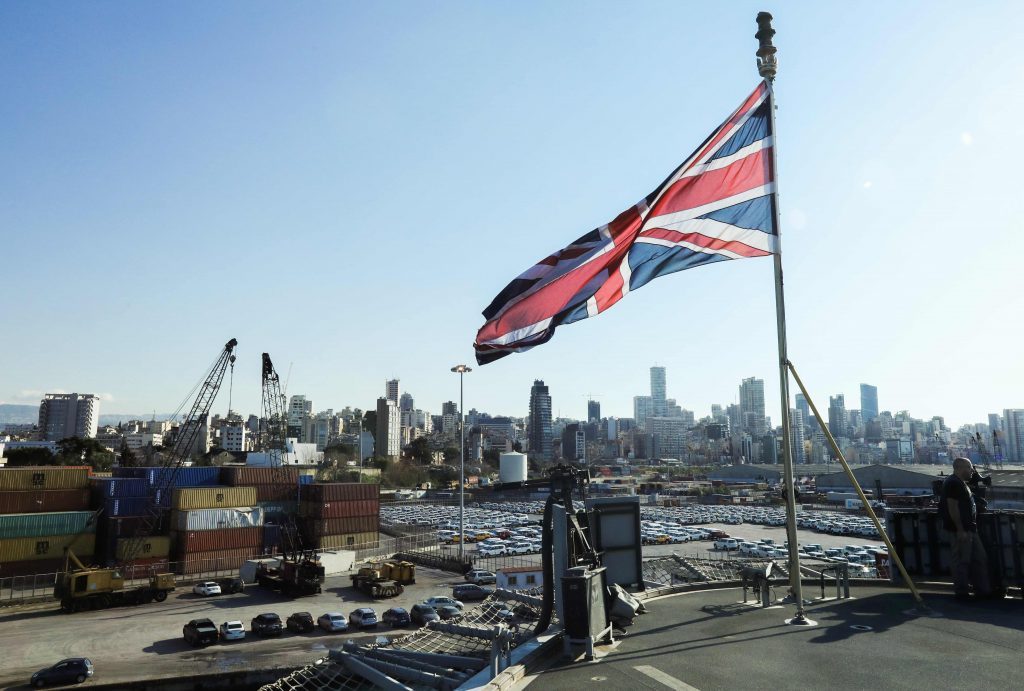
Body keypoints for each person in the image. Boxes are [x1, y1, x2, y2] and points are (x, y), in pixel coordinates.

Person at [939, 457, 991, 599]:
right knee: (962, 560)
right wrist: (960, 529)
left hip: (970, 529)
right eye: (969, 467)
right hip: (961, 530)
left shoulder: (961, 483)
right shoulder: (953, 483)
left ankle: (981, 590)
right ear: (960, 468)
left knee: (979, 558)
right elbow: (952, 507)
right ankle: (962, 592)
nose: (972, 471)